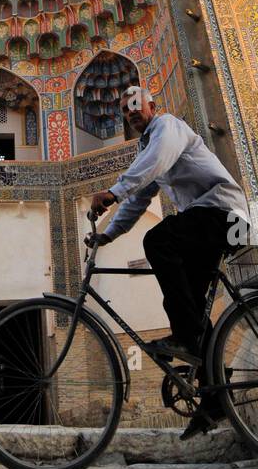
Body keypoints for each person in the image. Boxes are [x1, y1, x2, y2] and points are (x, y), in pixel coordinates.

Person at [90, 85, 249, 438]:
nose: (131, 112)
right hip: (209, 221)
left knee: (159, 240)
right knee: (189, 307)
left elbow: (154, 162)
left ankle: (186, 339)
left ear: (152, 106)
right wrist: (108, 235)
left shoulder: (167, 128)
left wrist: (114, 190)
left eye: (136, 105)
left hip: (224, 214)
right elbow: (139, 198)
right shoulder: (147, 146)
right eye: (126, 110)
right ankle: (215, 398)